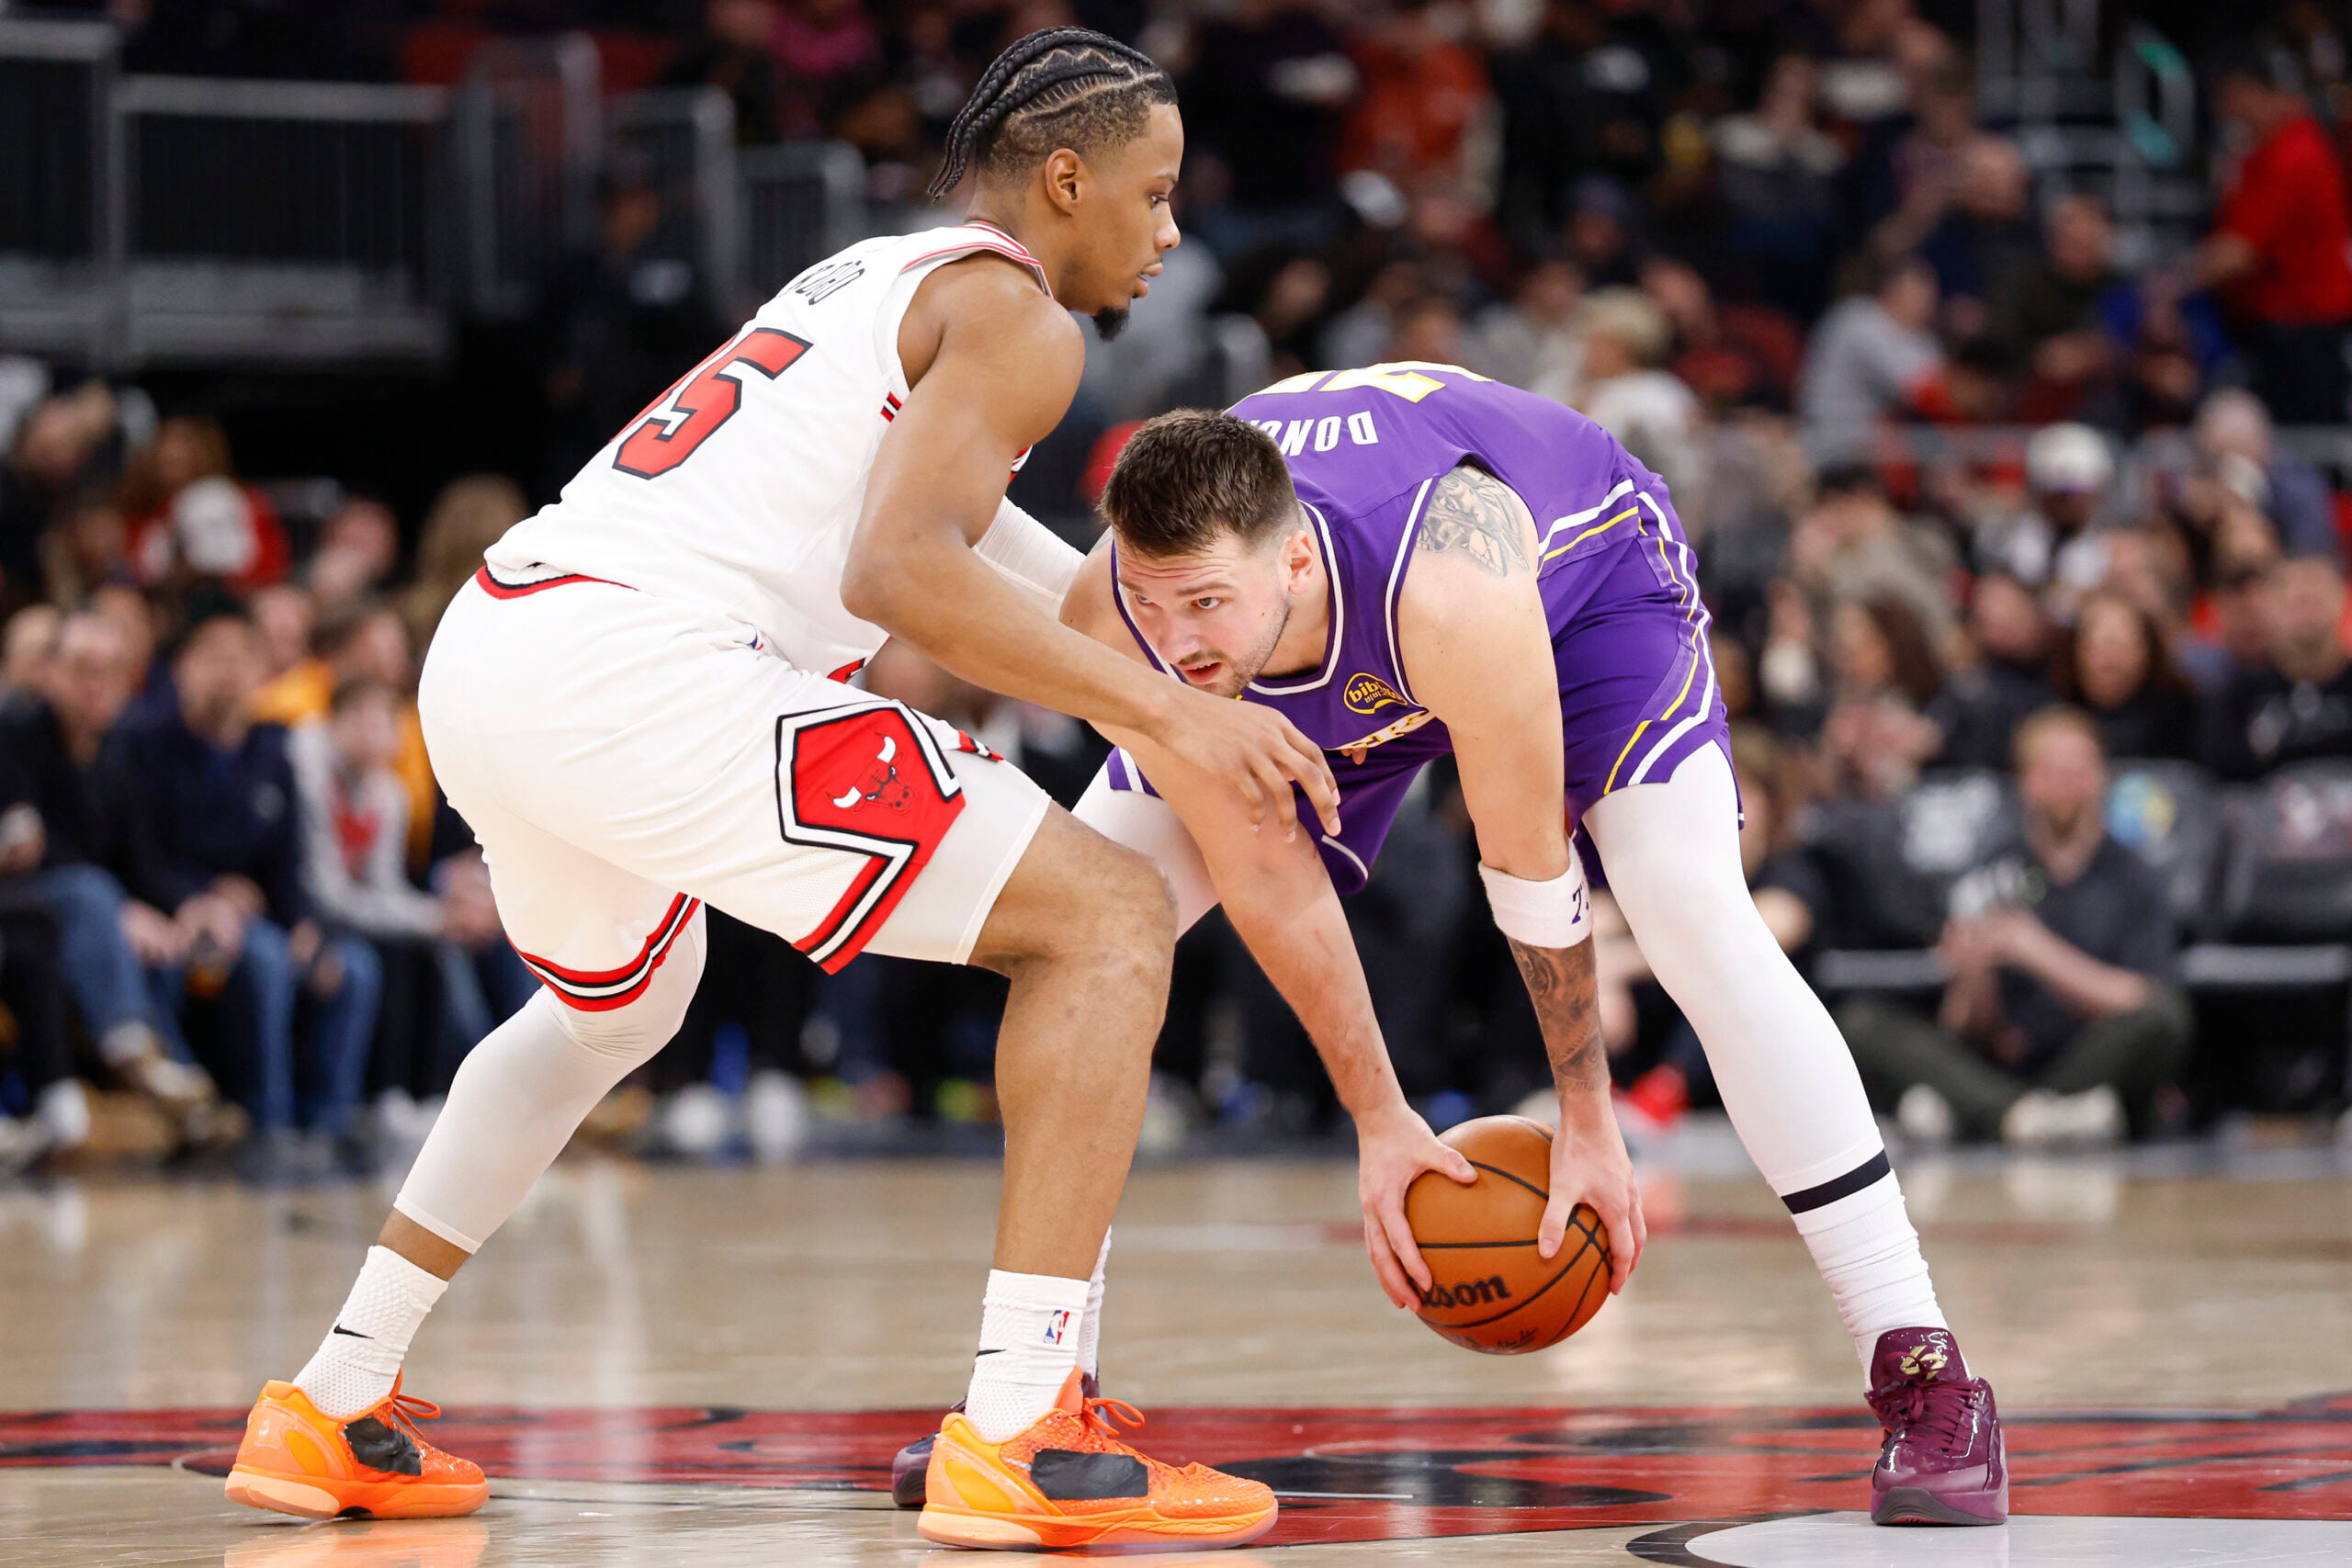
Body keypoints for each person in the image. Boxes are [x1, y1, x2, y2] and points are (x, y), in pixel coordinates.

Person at [222, 29, 1328, 1554]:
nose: (1171, 229)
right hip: (646, 667)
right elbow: (901, 573)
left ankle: (334, 1394)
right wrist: (1174, 722)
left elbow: (1006, 564)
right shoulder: (1022, 318)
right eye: (1153, 192)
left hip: (500, 638)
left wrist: (1189, 646)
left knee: (617, 1002)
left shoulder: (883, 274)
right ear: (1064, 181)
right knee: (1109, 916)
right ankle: (1021, 1426)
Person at [1054, 378, 2007, 1527]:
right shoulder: (1115, 621)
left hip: (1575, 586)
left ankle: (1923, 1373)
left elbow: (1528, 870)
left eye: (1200, 602)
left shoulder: (1452, 581)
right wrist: (1377, 1117)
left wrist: (1588, 1119)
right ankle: (1035, 1398)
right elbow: (1268, 877)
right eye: (1154, 606)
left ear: (1295, 563)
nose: (1173, 640)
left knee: (1689, 912)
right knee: (1082, 940)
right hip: (1319, 655)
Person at [103, 607, 381, 1167]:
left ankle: (328, 1125)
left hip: (262, 917)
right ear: (181, 668)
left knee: (354, 968)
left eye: (241, 657)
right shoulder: (143, 742)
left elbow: (289, 859)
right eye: (212, 656)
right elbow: (137, 854)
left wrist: (303, 922)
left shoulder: (271, 750)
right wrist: (202, 896)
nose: (227, 672)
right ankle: (267, 1123)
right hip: (179, 917)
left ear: (262, 671)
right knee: (266, 961)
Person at [1837, 708, 2191, 1145]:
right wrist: (1972, 975)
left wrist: (2038, 952)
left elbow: (2142, 998)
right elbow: (1963, 1029)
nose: (2064, 782)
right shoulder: (1990, 871)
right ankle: (2022, 1115)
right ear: (2025, 780)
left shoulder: (2133, 877)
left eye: (2078, 768)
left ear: (2102, 777)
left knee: (2165, 1018)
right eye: (2049, 767)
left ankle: (1980, 1111)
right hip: (1999, 1063)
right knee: (1861, 1023)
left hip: (2086, 1057)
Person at [2193, 44, 2352, 424]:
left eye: (2235, 96)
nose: (2230, 109)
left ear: (2258, 92)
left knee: (2302, 444)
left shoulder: (2294, 153)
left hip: (2305, 332)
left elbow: (2237, 253)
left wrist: (2167, 283)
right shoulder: (2259, 151)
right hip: (2271, 327)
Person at [2199, 554, 2352, 780]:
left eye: (2315, 597)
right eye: (2296, 601)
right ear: (2268, 607)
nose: (2305, 601)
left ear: (2342, 599)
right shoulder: (2237, 700)